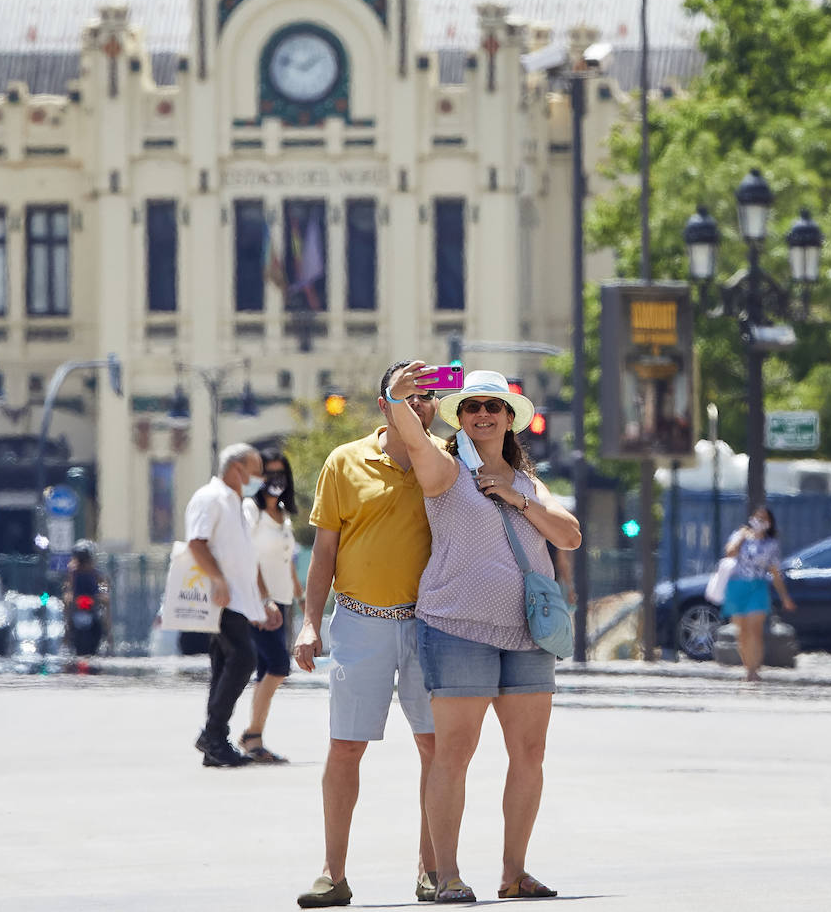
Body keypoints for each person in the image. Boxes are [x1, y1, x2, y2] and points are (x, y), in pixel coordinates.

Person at [396, 367, 581, 903]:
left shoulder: (530, 483)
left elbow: (569, 535)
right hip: (457, 627)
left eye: (492, 407)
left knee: (530, 751)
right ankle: (447, 874)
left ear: (508, 420)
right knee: (455, 751)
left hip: (528, 634)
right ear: (460, 417)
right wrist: (396, 397)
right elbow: (411, 437)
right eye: (472, 406)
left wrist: (516, 496)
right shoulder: (445, 471)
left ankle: (514, 872)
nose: (482, 414)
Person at [294, 361, 443, 909]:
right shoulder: (344, 462)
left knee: (436, 748)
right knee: (346, 746)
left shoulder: (449, 461)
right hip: (360, 622)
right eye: (409, 394)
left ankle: (433, 871)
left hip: (431, 626)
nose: (421, 404)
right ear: (386, 403)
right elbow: (324, 552)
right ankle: (333, 875)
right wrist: (311, 623)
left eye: (428, 396)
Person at [186, 442, 278, 768]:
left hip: (237, 598)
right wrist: (217, 580)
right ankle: (213, 735)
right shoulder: (211, 498)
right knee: (242, 659)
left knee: (226, 666)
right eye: (256, 471)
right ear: (237, 469)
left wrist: (262, 601)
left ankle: (213, 739)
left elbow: (242, 557)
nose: (260, 479)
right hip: (222, 599)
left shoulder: (235, 503)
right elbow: (196, 543)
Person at [238, 447, 302, 764]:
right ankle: (252, 733)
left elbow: (285, 558)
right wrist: (264, 600)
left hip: (283, 600)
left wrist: (301, 596)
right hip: (259, 602)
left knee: (268, 670)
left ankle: (255, 739)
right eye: (269, 473)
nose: (276, 479)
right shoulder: (252, 511)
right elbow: (248, 556)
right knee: (278, 666)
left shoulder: (282, 514)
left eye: (281, 473)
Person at [722, 506, 795, 682]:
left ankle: (754, 670)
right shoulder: (740, 536)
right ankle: (747, 666)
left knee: (755, 629)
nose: (759, 522)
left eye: (763, 519)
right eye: (757, 517)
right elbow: (729, 552)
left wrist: (785, 597)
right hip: (737, 585)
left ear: (769, 523)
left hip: (758, 586)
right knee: (742, 631)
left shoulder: (771, 544)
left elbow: (775, 571)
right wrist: (741, 536)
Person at [62, 540, 109, 657]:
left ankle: (108, 634)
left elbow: (104, 586)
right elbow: (69, 587)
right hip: (77, 605)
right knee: (67, 613)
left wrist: (103, 593)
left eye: (85, 559)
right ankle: (66, 636)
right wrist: (69, 594)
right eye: (80, 559)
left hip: (93, 603)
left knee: (105, 610)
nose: (83, 563)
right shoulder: (72, 572)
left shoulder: (96, 573)